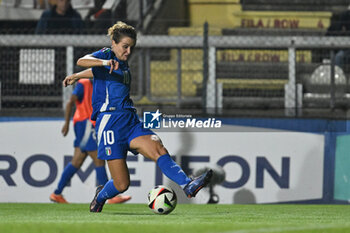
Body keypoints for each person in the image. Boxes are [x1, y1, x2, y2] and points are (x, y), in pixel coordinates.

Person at [63, 21, 213, 213]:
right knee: (121, 184)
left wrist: (78, 75)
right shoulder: (107, 55)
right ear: (114, 42)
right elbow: (83, 60)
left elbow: (96, 71)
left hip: (130, 121)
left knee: (157, 146)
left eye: (131, 48)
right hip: (110, 124)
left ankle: (188, 185)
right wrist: (90, 67)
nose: (128, 51)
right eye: (125, 46)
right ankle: (100, 196)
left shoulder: (121, 62)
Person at [50, 70, 131, 204]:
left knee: (77, 161)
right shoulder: (84, 83)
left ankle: (57, 193)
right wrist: (66, 123)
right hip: (85, 124)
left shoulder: (98, 82)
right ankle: (110, 196)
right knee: (99, 160)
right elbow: (71, 102)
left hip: (88, 124)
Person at [326, 5, 350, 71]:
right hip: (341, 49)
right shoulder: (336, 27)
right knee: (337, 57)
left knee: (338, 57)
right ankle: (338, 76)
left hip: (345, 49)